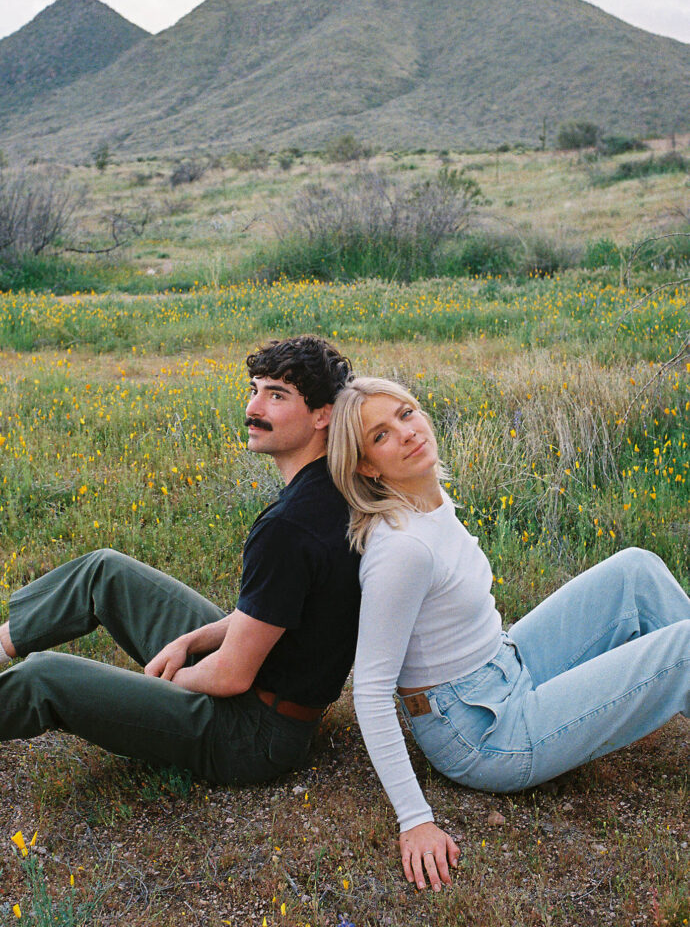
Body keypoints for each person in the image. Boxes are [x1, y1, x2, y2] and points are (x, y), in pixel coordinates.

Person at [327, 376, 690, 893]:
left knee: (636, 571)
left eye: (405, 414)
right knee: (685, 647)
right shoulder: (402, 550)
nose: (406, 434)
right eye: (381, 436)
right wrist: (415, 819)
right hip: (484, 735)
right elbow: (370, 689)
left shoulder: (428, 499)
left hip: (506, 662)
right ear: (366, 465)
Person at [0, 336, 361, 786]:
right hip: (264, 693)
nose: (254, 408)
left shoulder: (290, 526)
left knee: (43, 678)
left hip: (253, 735)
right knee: (104, 570)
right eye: (254, 390)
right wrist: (189, 641)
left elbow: (229, 676)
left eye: (277, 395)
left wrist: (159, 688)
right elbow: (277, 611)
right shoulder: (330, 489)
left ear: (323, 414)